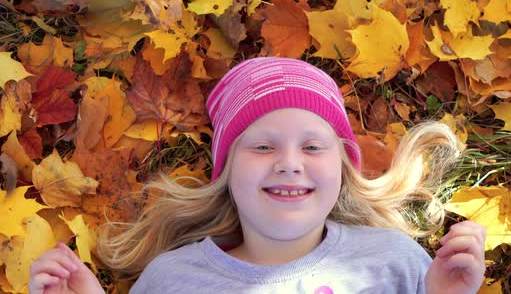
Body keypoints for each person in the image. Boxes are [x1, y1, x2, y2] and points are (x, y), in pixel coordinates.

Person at [28, 57, 486, 294]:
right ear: (226, 171)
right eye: (263, 146)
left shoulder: (393, 260)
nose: (289, 162)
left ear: (344, 170)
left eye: (312, 146)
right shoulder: (174, 279)